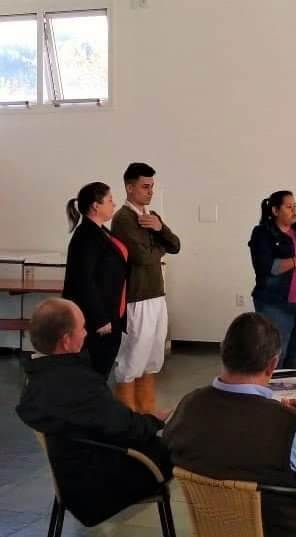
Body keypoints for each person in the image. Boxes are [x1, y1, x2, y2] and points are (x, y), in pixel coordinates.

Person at [163, 312, 296, 537]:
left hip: (214, 522)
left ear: (222, 351)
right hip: (287, 528)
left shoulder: (188, 404)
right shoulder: (286, 424)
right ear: (272, 364)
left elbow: (170, 446)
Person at [16, 298, 172, 527]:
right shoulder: (78, 384)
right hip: (97, 487)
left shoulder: (36, 378)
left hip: (68, 477)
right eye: (82, 328)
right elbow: (126, 428)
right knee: (174, 450)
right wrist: (155, 421)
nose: (86, 333)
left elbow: (106, 420)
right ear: (66, 341)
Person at [111, 162, 180, 413]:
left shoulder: (152, 216)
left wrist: (159, 229)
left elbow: (175, 245)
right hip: (136, 296)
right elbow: (140, 256)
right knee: (133, 356)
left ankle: (146, 410)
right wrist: (160, 247)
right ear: (130, 188)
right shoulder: (123, 219)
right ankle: (127, 414)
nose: (150, 191)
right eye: (145, 187)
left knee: (153, 356)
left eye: (152, 186)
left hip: (156, 294)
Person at [248, 190, 296, 370]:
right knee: (276, 356)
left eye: (295, 206)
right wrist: (294, 262)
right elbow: (264, 267)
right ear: (275, 210)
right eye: (289, 207)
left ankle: (290, 387)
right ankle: (272, 388)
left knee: (294, 355)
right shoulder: (263, 233)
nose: (294, 211)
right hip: (276, 304)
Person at [62, 182, 128, 379]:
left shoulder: (100, 231)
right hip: (97, 319)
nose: (114, 204)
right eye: (109, 200)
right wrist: (100, 318)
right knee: (94, 371)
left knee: (101, 368)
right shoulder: (87, 236)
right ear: (95, 206)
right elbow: (84, 280)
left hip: (111, 312)